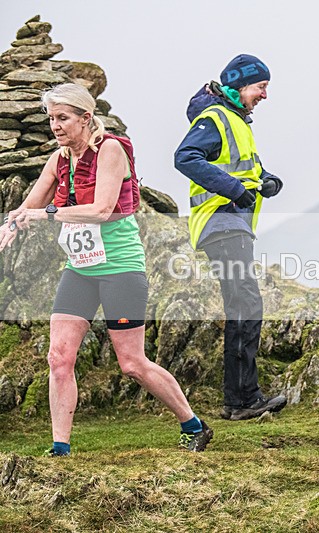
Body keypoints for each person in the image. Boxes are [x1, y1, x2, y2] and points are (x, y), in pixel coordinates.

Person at [0, 83, 212, 454]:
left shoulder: (110, 150)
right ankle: (60, 448)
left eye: (63, 118)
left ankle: (193, 424)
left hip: (120, 268)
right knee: (59, 357)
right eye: (51, 119)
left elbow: (101, 209)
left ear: (86, 118)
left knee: (131, 363)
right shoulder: (60, 158)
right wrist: (11, 225)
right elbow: (27, 208)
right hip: (80, 269)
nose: (56, 126)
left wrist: (46, 213)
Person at [174, 54, 287, 421]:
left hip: (233, 225)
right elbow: (186, 157)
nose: (265, 95)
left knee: (245, 307)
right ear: (240, 85)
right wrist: (235, 189)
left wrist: (266, 179)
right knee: (246, 307)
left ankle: (241, 398)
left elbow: (244, 168)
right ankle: (242, 400)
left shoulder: (236, 120)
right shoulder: (216, 118)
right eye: (261, 87)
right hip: (220, 222)